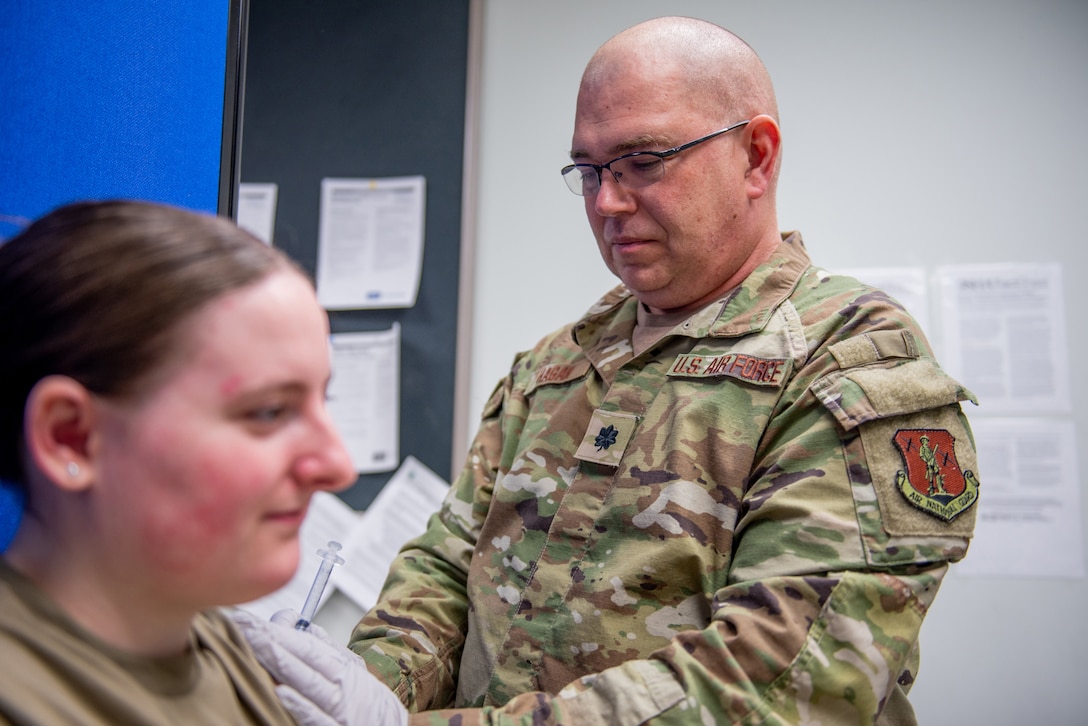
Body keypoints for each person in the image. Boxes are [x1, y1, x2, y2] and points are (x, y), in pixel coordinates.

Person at [239, 16, 980, 725]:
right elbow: (444, 569)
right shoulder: (556, 365)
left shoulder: (846, 360)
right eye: (588, 170)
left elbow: (778, 690)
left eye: (644, 162)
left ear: (756, 156)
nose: (607, 202)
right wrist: (355, 689)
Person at [0, 200, 406, 725]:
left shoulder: (220, 647)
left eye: (322, 402)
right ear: (71, 438)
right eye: (268, 411)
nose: (338, 466)